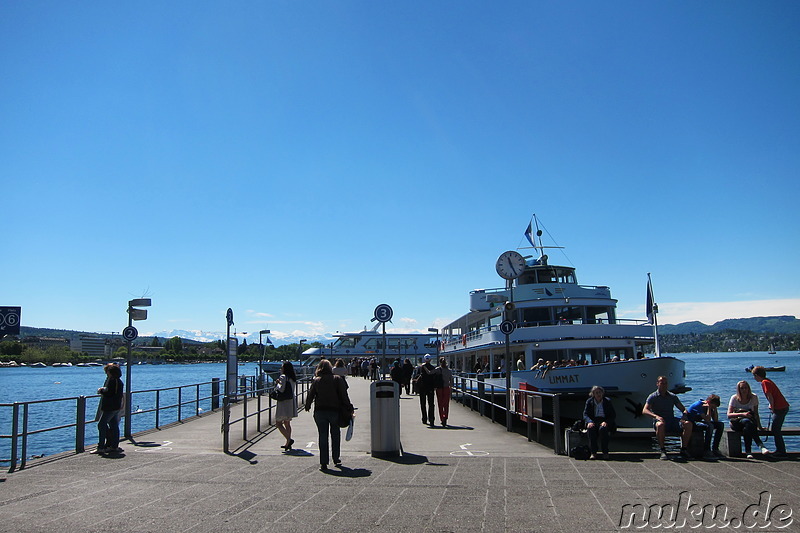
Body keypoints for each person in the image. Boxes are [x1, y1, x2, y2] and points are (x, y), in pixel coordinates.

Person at [305, 359, 352, 471]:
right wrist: (349, 407)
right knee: (335, 434)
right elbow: (343, 395)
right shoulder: (337, 379)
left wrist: (307, 406)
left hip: (320, 411)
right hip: (334, 410)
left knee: (322, 435)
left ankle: (324, 461)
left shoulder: (317, 380)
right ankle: (336, 458)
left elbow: (310, 395)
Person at [642, 376, 693, 460]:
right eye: (662, 383)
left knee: (688, 424)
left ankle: (684, 449)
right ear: (657, 384)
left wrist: (684, 415)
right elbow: (645, 410)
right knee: (660, 425)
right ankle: (663, 450)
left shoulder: (672, 396)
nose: (664, 385)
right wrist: (656, 416)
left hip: (671, 420)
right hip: (659, 420)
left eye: (665, 383)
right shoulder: (653, 396)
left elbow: (683, 408)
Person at [752, 366, 790, 457]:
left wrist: (772, 407)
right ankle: (780, 450)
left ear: (757, 375)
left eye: (754, 376)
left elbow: (770, 396)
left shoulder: (765, 382)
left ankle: (781, 451)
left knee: (776, 430)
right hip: (782, 407)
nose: (754, 378)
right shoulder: (768, 381)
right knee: (776, 429)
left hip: (780, 408)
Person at [727, 380, 769, 459]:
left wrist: (759, 426)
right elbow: (729, 415)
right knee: (747, 422)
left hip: (750, 422)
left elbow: (756, 413)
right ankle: (760, 445)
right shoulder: (734, 398)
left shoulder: (754, 397)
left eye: (745, 388)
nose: (744, 390)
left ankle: (748, 452)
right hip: (736, 422)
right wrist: (742, 414)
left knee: (748, 427)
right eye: (742, 388)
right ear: (738, 389)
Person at [93, 363, 124, 454]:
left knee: (101, 425)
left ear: (111, 373)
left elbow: (110, 393)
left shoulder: (112, 381)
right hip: (116, 406)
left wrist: (101, 391)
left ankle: (101, 447)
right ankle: (114, 446)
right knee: (114, 426)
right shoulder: (119, 381)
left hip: (110, 407)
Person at [686, 394, 725, 459]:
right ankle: (706, 449)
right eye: (713, 406)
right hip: (692, 422)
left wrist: (714, 410)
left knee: (720, 425)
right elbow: (708, 420)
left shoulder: (711, 407)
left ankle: (715, 448)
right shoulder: (698, 405)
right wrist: (709, 408)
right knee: (710, 426)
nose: (713, 408)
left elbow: (715, 420)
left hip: (701, 421)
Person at [582, 385, 616, 459]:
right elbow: (585, 414)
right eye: (596, 393)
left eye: (600, 392)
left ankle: (605, 452)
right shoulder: (589, 401)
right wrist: (589, 422)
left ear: (602, 393)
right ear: (593, 394)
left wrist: (606, 422)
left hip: (603, 420)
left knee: (603, 429)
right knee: (591, 430)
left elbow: (612, 415)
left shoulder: (607, 401)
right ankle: (593, 452)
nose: (598, 394)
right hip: (593, 420)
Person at [275, 361, 298, 451]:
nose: (281, 369)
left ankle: (289, 439)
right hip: (291, 401)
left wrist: (277, 383)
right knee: (287, 423)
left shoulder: (283, 377)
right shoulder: (292, 378)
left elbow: (281, 389)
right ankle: (288, 443)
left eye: (282, 367)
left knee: (278, 423)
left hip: (283, 402)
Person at [414, 354, 436, 426]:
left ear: (424, 359)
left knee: (423, 404)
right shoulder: (433, 368)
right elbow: (434, 378)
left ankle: (424, 418)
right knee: (431, 404)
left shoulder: (420, 368)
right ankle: (431, 419)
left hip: (422, 387)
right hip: (430, 388)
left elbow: (416, 376)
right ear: (430, 360)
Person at [434, 356, 453, 427]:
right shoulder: (449, 371)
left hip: (439, 388)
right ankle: (445, 417)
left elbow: (430, 373)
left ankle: (442, 418)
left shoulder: (437, 369)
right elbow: (451, 380)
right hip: (446, 388)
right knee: (446, 404)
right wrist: (451, 387)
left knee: (440, 404)